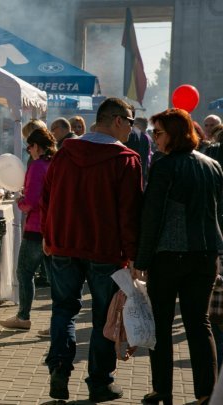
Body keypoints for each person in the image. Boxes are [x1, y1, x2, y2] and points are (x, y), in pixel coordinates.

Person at [40, 97, 143, 402]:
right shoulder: (125, 160)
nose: (132, 130)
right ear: (117, 121)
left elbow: (47, 198)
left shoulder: (64, 154)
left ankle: (59, 367)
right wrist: (133, 254)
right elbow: (130, 213)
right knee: (103, 316)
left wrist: (48, 235)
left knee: (63, 309)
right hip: (105, 251)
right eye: (131, 123)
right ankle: (99, 382)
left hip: (64, 245)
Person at [134, 108, 223, 405]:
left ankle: (162, 388)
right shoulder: (212, 165)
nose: (154, 139)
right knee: (199, 323)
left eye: (158, 133)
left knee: (161, 322)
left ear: (174, 133)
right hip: (206, 254)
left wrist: (141, 260)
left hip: (169, 256)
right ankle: (205, 394)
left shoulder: (164, 166)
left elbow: (152, 216)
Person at [0, 128, 56, 332]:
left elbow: (31, 201)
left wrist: (20, 201)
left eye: (29, 146)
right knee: (54, 278)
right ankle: (59, 320)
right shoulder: (55, 163)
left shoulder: (37, 166)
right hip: (53, 227)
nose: (28, 150)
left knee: (24, 272)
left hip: (36, 227)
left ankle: (23, 317)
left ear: (37, 146)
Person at [124, 116, 154, 186]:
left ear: (141, 125)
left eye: (136, 123)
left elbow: (141, 155)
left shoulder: (143, 137)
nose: (133, 125)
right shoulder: (145, 136)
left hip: (140, 169)